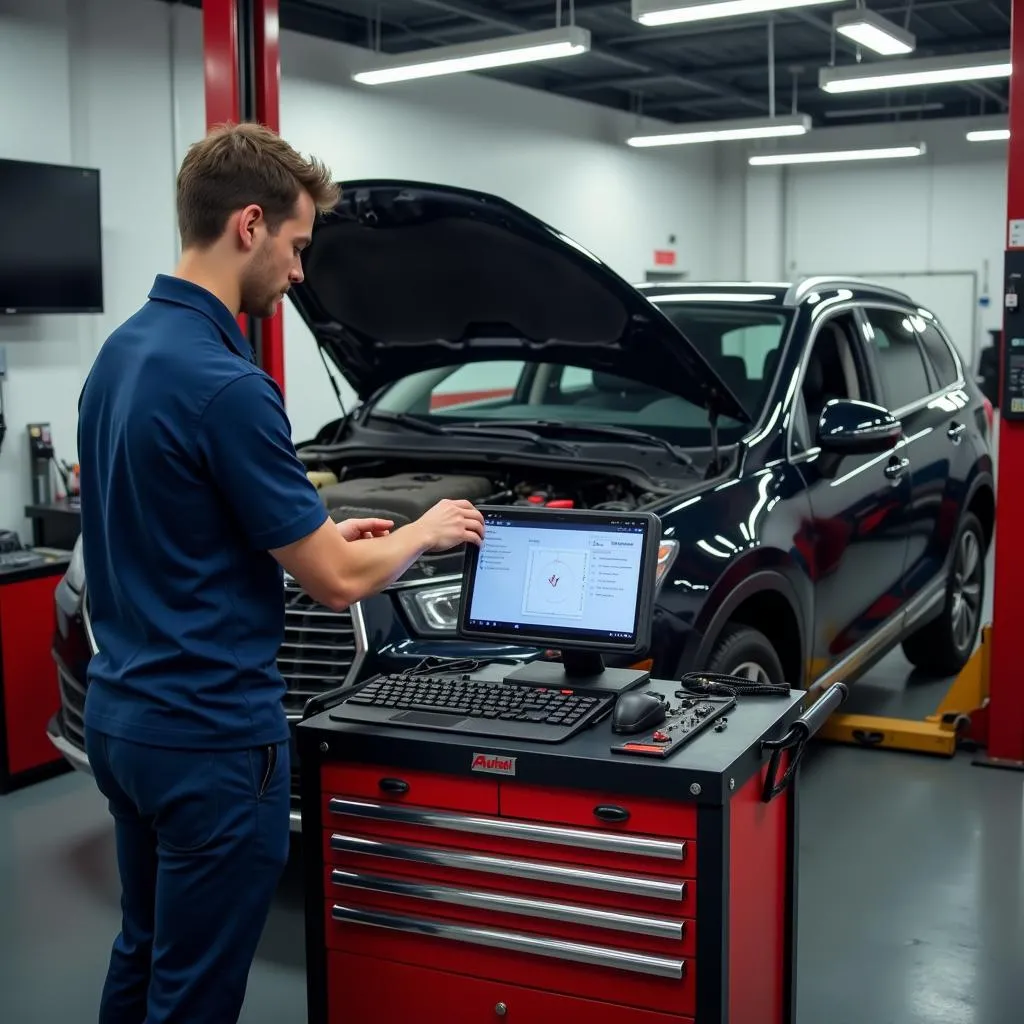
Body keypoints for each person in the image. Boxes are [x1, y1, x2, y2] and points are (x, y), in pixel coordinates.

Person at [76, 121, 485, 1024]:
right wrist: (422, 532)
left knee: (143, 952)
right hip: (210, 740)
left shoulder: (120, 356)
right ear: (250, 226)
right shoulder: (229, 385)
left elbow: (184, 520)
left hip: (123, 723)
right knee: (194, 992)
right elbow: (337, 582)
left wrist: (323, 528)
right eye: (298, 247)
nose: (300, 274)